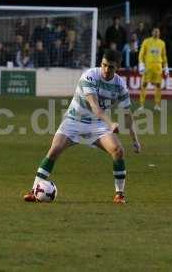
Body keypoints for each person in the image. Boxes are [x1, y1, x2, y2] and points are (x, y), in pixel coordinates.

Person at [23, 49, 141, 204]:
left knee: (118, 150)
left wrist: (135, 140)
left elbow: (127, 113)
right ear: (101, 64)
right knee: (54, 151)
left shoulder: (120, 85)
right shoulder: (90, 76)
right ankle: (34, 191)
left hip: (97, 125)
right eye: (104, 65)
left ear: (117, 67)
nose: (106, 70)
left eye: (111, 67)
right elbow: (95, 107)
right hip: (74, 121)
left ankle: (119, 194)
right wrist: (111, 123)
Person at [138, 27, 169, 111]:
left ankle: (157, 104)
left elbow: (164, 56)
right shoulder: (146, 41)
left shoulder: (162, 43)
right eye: (155, 31)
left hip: (158, 67)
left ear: (159, 33)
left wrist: (166, 66)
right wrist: (141, 63)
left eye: (157, 32)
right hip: (148, 67)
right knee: (144, 84)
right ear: (152, 32)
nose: (156, 33)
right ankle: (141, 105)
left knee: (158, 86)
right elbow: (141, 53)